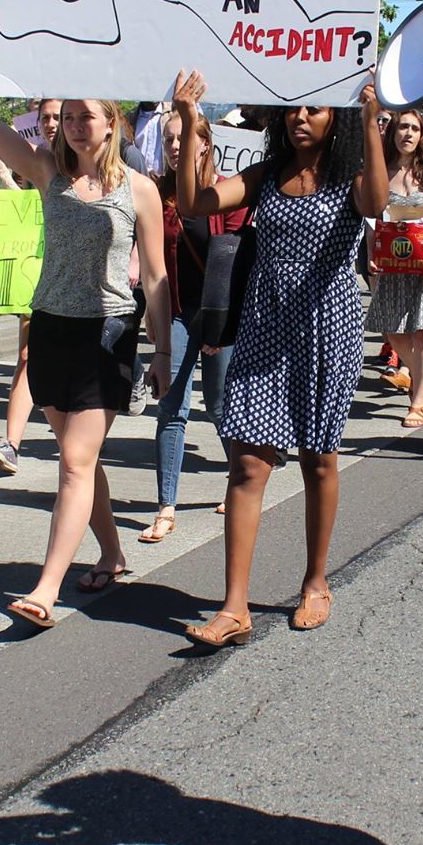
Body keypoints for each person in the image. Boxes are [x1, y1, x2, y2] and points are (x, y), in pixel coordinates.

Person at [0, 14, 172, 629]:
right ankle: (111, 554)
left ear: (113, 123)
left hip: (107, 334)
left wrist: (162, 353)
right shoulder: (46, 171)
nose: (78, 124)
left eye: (89, 115)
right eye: (71, 115)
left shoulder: (139, 189)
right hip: (53, 327)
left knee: (75, 464)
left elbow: (157, 276)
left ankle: (46, 589)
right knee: (79, 457)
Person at [174, 74, 389, 646]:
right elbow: (194, 202)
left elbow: (377, 202)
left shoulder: (349, 177)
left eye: (315, 109)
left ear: (333, 118)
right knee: (246, 463)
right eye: (292, 108)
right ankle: (235, 607)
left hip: (327, 327)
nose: (300, 117)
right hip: (266, 325)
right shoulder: (266, 176)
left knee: (320, 459)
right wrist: (192, 123)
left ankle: (316, 583)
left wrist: (369, 117)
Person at [140, 110, 246, 544]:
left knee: (221, 407)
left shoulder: (226, 192)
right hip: (178, 314)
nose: (175, 146)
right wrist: (152, 313)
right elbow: (149, 259)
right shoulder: (155, 194)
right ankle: (166, 506)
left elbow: (235, 261)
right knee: (171, 408)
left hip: (218, 317)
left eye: (183, 137)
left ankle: (242, 479)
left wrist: (224, 326)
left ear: (206, 142)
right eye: (168, 139)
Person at [0, 97, 63, 472]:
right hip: (35, 274)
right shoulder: (38, 162)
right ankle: (11, 442)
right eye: (44, 117)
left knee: (70, 364)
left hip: (76, 284)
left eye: (57, 116)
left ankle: (76, 441)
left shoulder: (88, 165)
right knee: (28, 356)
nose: (49, 123)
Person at [366, 106, 423, 428]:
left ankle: (418, 401)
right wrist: (370, 255)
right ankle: (420, 375)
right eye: (402, 127)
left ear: (422, 136)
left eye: (415, 129)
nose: (408, 134)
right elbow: (372, 219)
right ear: (393, 132)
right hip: (392, 266)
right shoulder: (380, 171)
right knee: (394, 331)